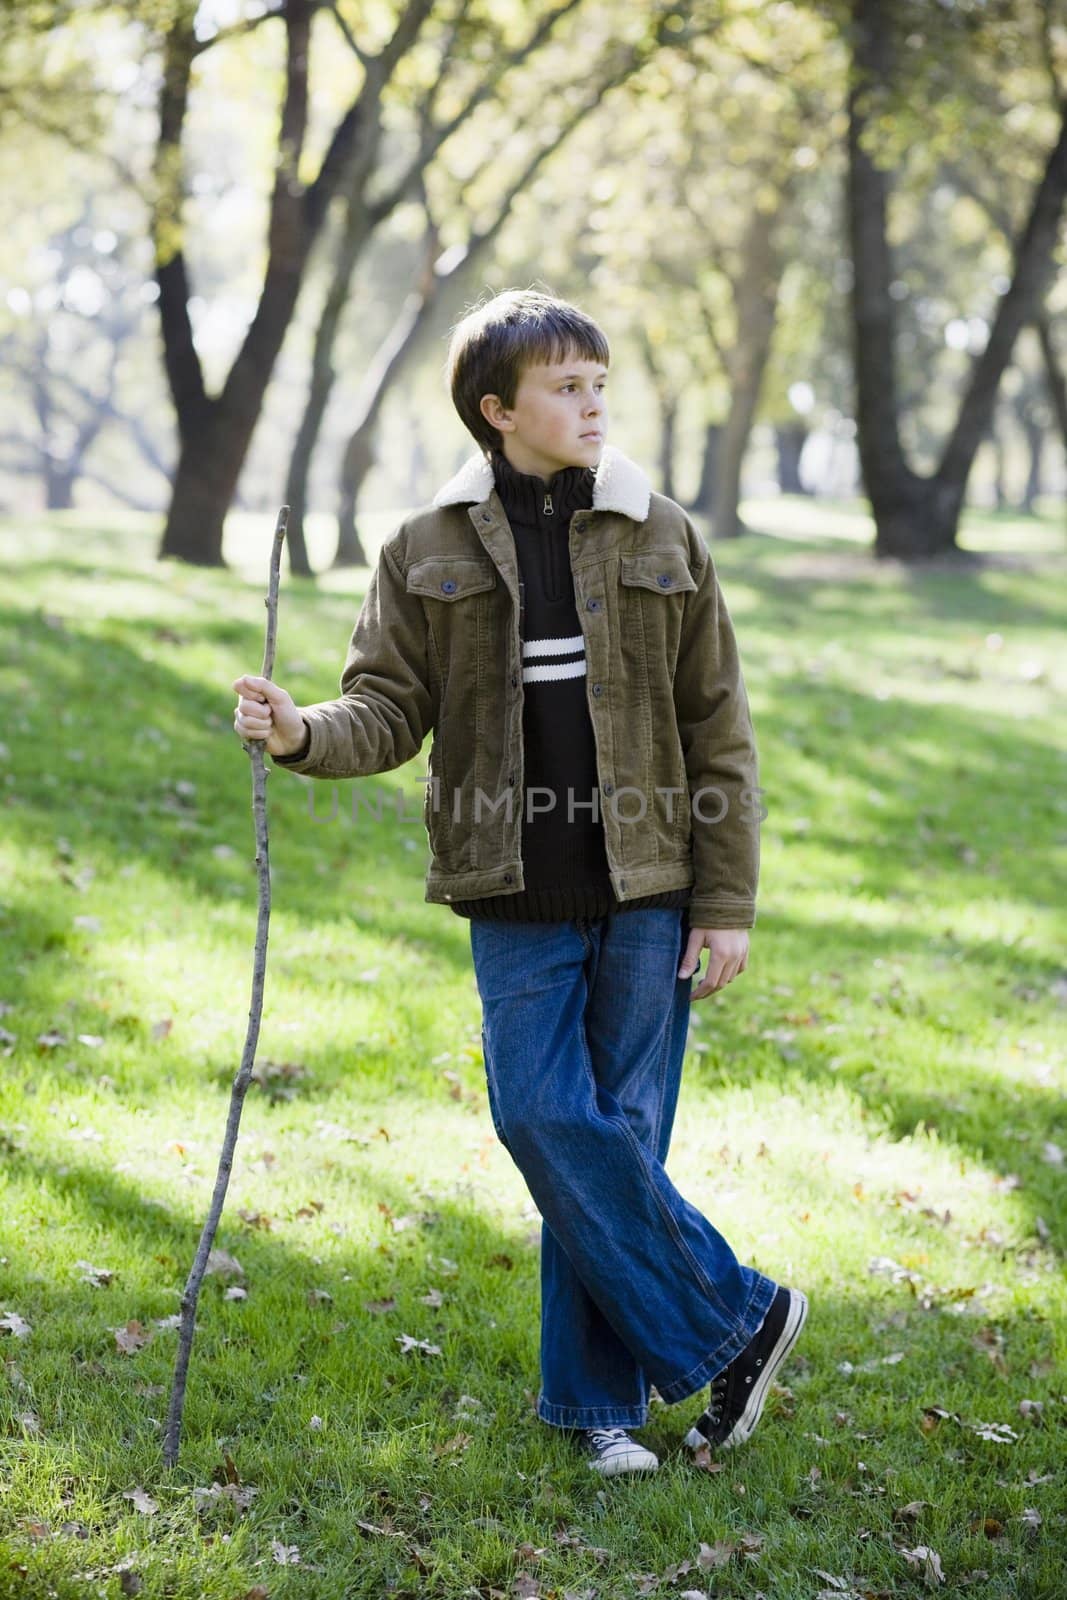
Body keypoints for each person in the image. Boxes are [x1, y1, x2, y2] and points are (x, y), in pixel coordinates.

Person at [233, 288, 807, 1478]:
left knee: (617, 1146)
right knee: (547, 1122)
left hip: (650, 888)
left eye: (600, 383)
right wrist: (299, 734)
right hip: (510, 887)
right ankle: (737, 1317)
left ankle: (596, 1415)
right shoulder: (425, 548)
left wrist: (726, 899)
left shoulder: (663, 536)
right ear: (498, 411)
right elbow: (385, 708)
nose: (592, 404)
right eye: (565, 387)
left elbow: (720, 728)